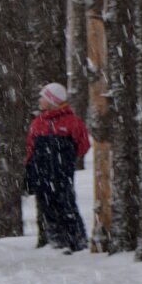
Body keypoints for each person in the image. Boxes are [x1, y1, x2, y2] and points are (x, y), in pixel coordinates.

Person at [25, 81, 90, 253]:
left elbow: (83, 146)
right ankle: (56, 243)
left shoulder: (72, 122)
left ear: (52, 101)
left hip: (62, 174)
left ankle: (77, 242)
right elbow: (30, 147)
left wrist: (63, 155)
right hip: (42, 174)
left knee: (66, 205)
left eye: (43, 97)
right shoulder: (37, 123)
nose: (40, 100)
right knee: (48, 208)